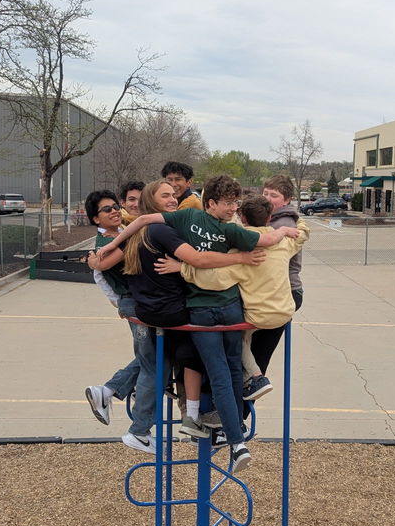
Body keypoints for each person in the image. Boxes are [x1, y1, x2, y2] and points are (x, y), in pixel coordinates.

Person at [97, 175, 300, 472]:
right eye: (227, 203)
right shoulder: (212, 226)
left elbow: (141, 225)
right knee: (214, 370)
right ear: (211, 203)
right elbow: (255, 246)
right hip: (208, 309)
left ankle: (213, 422)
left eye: (236, 203)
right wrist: (281, 232)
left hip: (207, 309)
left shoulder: (189, 219)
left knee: (217, 370)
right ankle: (233, 436)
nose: (232, 208)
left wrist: (110, 245)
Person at [156, 195, 308, 405]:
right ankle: (250, 385)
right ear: (270, 217)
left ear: (242, 218)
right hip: (284, 311)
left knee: (237, 338)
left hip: (258, 316)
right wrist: (297, 221)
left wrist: (181, 267)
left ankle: (255, 377)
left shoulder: (241, 250)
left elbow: (215, 279)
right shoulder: (283, 243)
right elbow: (301, 236)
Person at [83, 189, 140, 419]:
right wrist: (119, 302)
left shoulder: (119, 234)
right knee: (155, 356)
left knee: (154, 355)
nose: (115, 211)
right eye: (107, 209)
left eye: (116, 206)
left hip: (133, 301)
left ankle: (125, 390)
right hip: (134, 301)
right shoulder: (108, 242)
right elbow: (101, 270)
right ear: (96, 218)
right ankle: (109, 391)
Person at [249, 175, 306, 379]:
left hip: (284, 292)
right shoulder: (271, 219)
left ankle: (243, 405)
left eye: (274, 195)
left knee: (258, 354)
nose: (267, 198)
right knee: (249, 351)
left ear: (287, 200)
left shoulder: (282, 223)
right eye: (265, 193)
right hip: (273, 291)